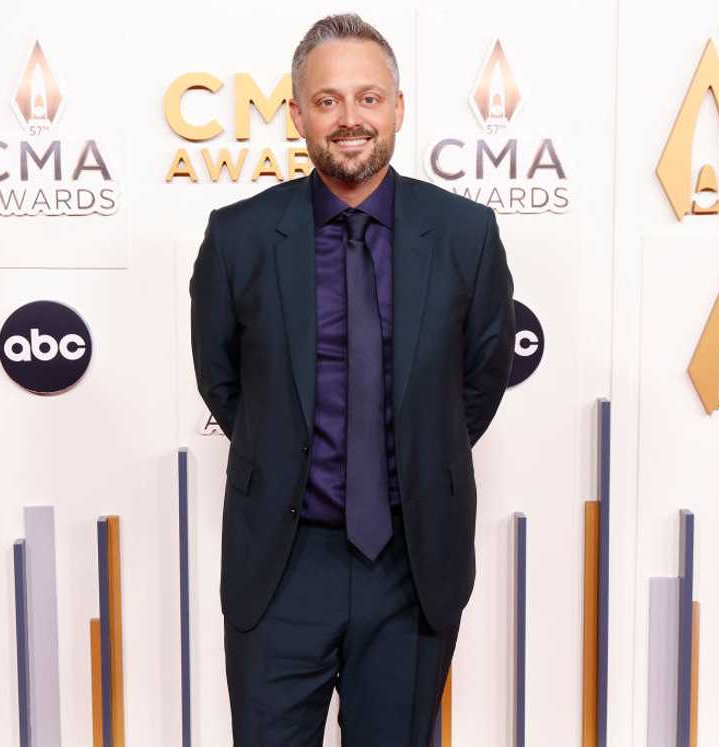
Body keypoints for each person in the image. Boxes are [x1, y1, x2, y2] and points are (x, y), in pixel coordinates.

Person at [190, 13, 515, 746]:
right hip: (280, 563)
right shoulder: (239, 236)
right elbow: (221, 378)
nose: (350, 119)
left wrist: (413, 459)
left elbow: (479, 379)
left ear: (398, 108)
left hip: (411, 562)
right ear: (298, 113)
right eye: (329, 100)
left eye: (368, 98)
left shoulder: (465, 235)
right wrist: (285, 454)